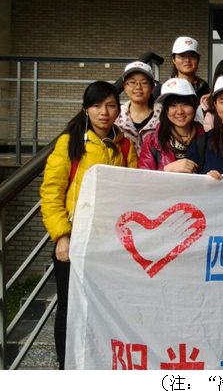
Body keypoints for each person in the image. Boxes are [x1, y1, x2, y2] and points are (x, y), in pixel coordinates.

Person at [40, 81, 138, 369]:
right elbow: (51, 192)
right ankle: (66, 369)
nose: (104, 112)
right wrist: (61, 236)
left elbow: (134, 190)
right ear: (86, 110)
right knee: (69, 307)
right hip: (75, 240)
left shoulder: (124, 145)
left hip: (109, 242)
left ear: (118, 110)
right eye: (96, 106)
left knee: (103, 307)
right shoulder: (69, 142)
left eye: (110, 106)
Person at [138, 78, 204, 172]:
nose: (180, 111)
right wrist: (166, 170)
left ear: (195, 106)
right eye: (173, 105)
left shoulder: (208, 140)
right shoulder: (152, 142)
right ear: (166, 110)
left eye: (185, 104)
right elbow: (143, 178)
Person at [116, 61, 161, 155]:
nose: (138, 87)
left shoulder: (164, 117)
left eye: (144, 83)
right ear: (125, 87)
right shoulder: (116, 116)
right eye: (132, 82)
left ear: (152, 88)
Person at [153, 37, 210, 101]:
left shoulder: (205, 88)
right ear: (173, 59)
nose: (187, 60)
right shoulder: (162, 88)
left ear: (198, 60)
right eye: (182, 56)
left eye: (193, 56)